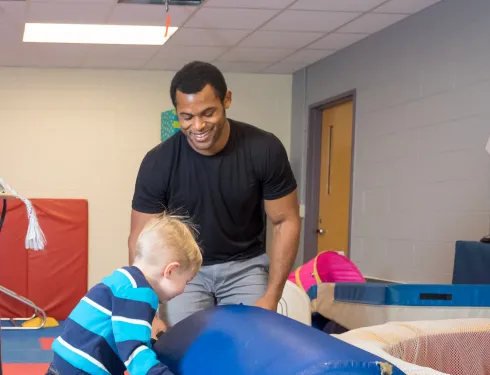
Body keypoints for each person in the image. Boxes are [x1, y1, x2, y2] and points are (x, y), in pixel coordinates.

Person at [129, 61, 301, 328]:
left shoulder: (264, 149)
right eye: (187, 117)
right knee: (182, 350)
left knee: (254, 346)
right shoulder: (158, 161)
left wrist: (272, 295)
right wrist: (148, 310)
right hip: (183, 267)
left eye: (208, 113)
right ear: (177, 113)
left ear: (227, 100)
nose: (198, 126)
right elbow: (141, 239)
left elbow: (284, 221)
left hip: (246, 267)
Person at [46, 213, 202, 375]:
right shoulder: (139, 293)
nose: (184, 289)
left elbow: (121, 332)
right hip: (84, 369)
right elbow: (134, 352)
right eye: (186, 281)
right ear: (170, 270)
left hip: (63, 364)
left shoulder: (123, 280)